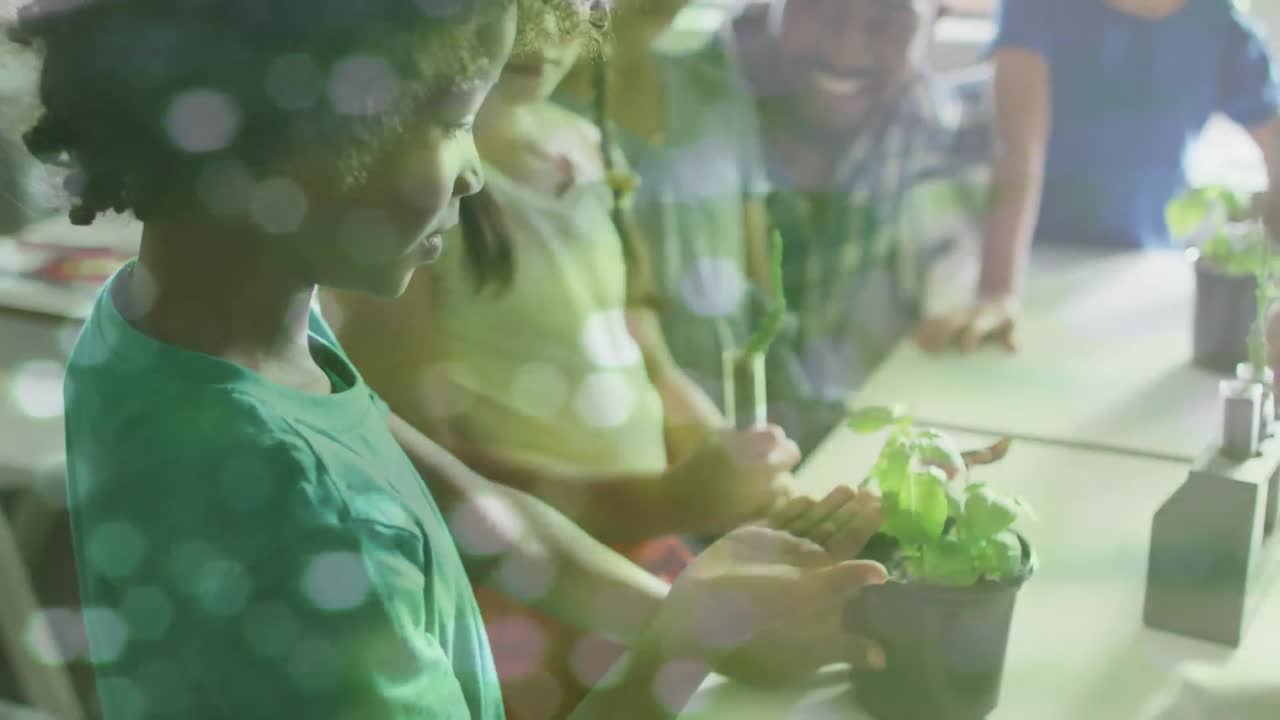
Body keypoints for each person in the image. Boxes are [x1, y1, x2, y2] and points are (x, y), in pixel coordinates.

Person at [19, 0, 888, 717]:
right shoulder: (283, 501)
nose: (474, 174)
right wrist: (684, 642)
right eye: (452, 121)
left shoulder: (191, 323)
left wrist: (705, 612)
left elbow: (480, 511)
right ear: (296, 131)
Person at [324, 2, 790, 715]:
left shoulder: (585, 141)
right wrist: (671, 499)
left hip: (641, 545)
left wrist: (734, 465)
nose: (549, 26)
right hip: (523, 593)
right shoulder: (403, 206)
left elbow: (643, 347)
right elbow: (424, 470)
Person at [919, 0, 1280, 352]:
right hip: (1034, 259)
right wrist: (997, 292)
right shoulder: (1037, 7)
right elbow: (1018, 146)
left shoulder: (1220, 23)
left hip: (1143, 266)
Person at [728, 0, 992, 446]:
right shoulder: (702, 102)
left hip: (838, 443)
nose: (846, 50)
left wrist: (969, 299)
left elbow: (954, 271)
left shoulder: (928, 118)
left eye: (889, 20)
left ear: (935, 19)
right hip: (695, 455)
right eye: (820, 9)